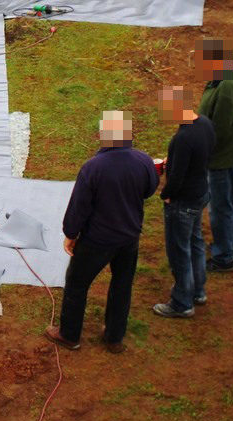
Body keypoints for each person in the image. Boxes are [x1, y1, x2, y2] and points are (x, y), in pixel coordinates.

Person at [45, 110, 158, 353]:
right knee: (122, 284)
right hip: (129, 238)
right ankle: (114, 337)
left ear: (102, 136)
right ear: (128, 134)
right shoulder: (144, 162)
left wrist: (70, 234)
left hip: (97, 241)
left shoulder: (93, 168)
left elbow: (79, 207)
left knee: (77, 283)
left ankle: (69, 335)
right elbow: (150, 189)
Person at [152, 86, 216, 319]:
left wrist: (166, 195)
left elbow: (176, 178)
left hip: (182, 203)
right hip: (200, 194)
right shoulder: (205, 125)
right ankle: (198, 291)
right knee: (196, 243)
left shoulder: (182, 138)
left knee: (179, 251)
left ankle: (181, 302)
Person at [195, 39, 233, 272]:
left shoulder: (227, 89)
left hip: (225, 159)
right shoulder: (232, 72)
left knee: (220, 207)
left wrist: (198, 152)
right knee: (230, 201)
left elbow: (217, 131)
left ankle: (224, 257)